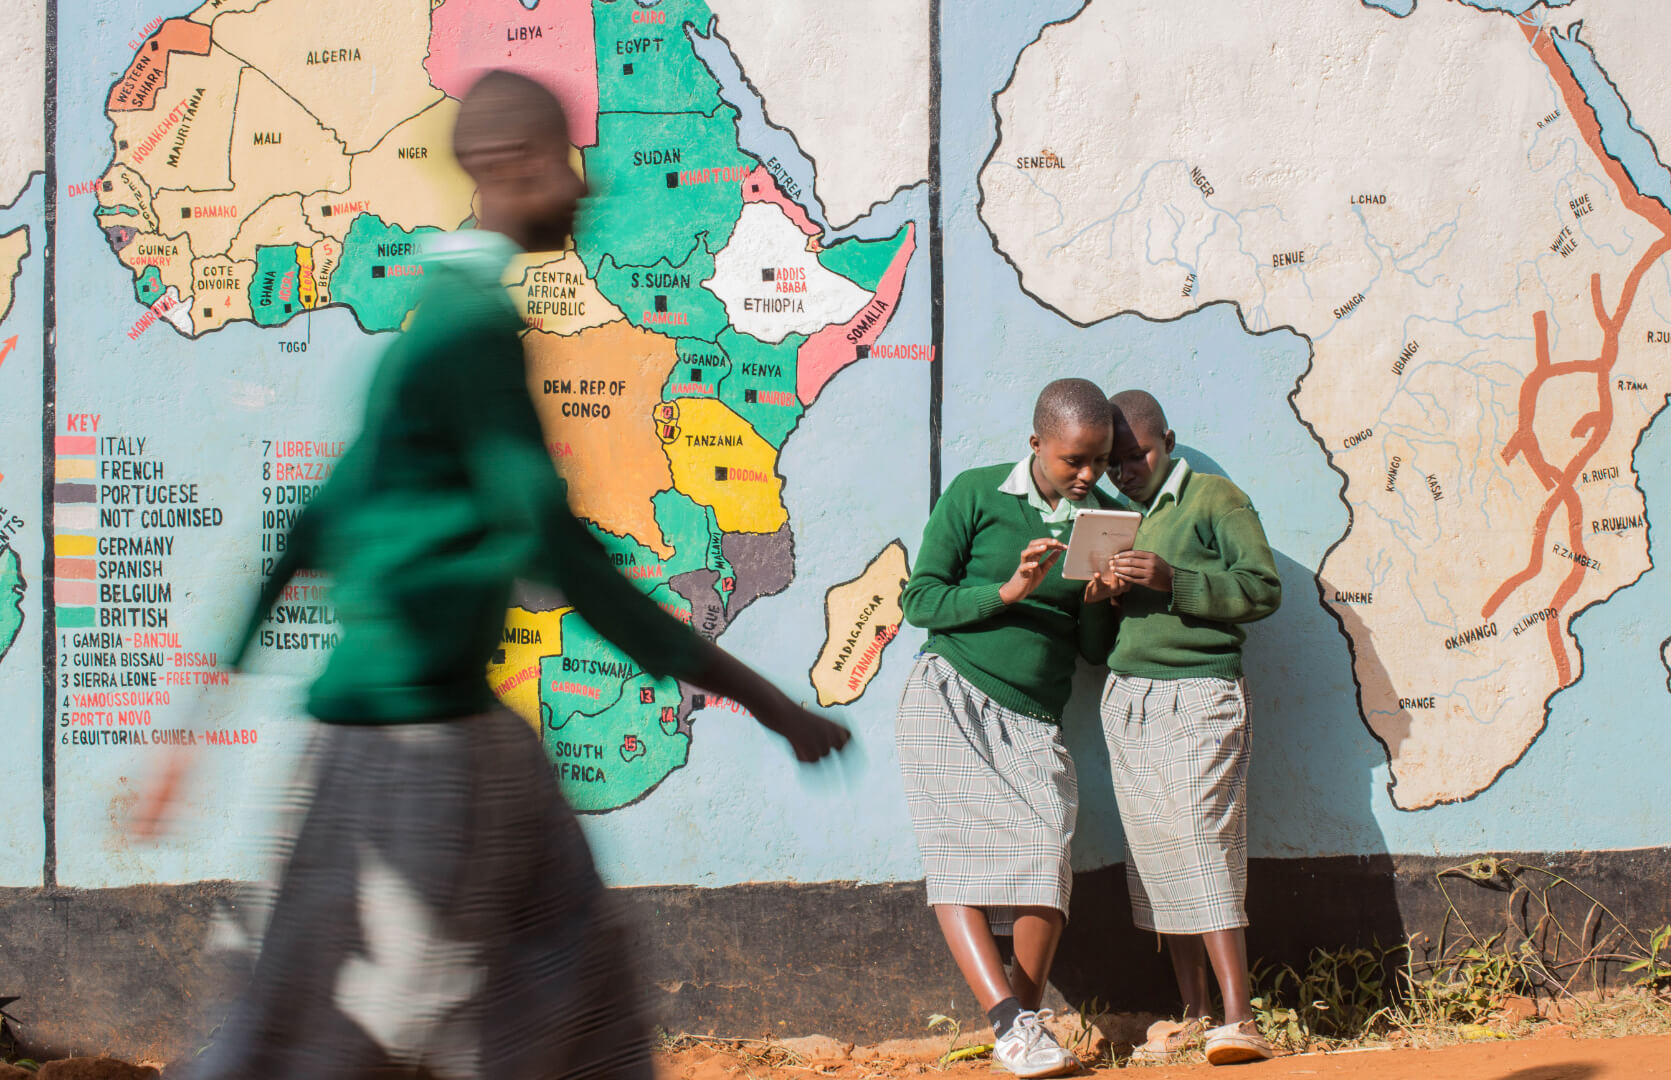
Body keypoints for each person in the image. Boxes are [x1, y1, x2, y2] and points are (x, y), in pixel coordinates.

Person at [133, 70, 849, 1080]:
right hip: (418, 761)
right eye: (566, 164)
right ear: (512, 171)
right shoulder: (468, 335)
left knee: (569, 991)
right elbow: (562, 562)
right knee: (383, 1036)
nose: (582, 189)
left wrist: (191, 729)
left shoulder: (441, 328)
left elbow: (316, 521)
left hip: (436, 739)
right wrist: (770, 703)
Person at [894, 378, 1122, 1079]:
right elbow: (919, 599)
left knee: (1046, 851)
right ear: (1035, 446)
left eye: (1101, 461)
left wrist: (1098, 601)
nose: (1088, 476)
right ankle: (1011, 1024)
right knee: (956, 854)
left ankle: (1020, 1028)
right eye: (1073, 461)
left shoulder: (1105, 519)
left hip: (1033, 715)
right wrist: (1008, 590)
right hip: (951, 695)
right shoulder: (976, 493)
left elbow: (1090, 650)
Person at [1099, 390, 1281, 1066]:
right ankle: (1195, 1015)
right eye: (1114, 463)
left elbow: (1262, 589)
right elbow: (1100, 642)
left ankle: (1242, 1018)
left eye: (1137, 454)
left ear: (1167, 439)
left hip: (1202, 691)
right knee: (1156, 853)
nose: (1126, 471)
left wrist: (1174, 579)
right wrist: (1100, 599)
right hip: (1129, 697)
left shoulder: (1214, 498)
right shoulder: (1112, 518)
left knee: (1203, 840)